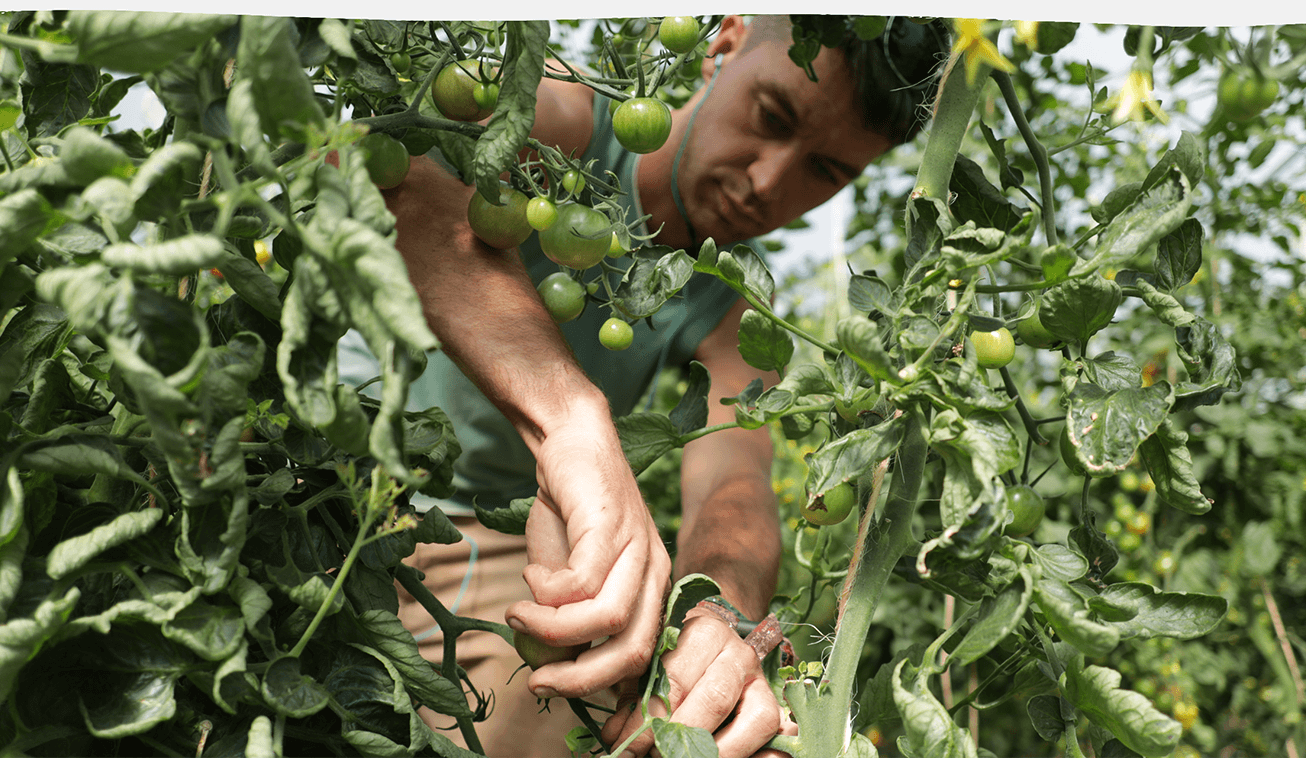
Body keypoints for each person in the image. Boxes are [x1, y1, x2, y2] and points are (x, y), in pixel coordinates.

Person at [346, 15, 946, 757]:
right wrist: (569, 416)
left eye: (824, 171)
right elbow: (410, 186)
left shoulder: (731, 309)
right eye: (771, 116)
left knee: (671, 720)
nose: (767, 182)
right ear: (722, 46)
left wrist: (716, 619)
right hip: (335, 459)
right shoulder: (564, 118)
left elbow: (735, 487)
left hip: (491, 543)